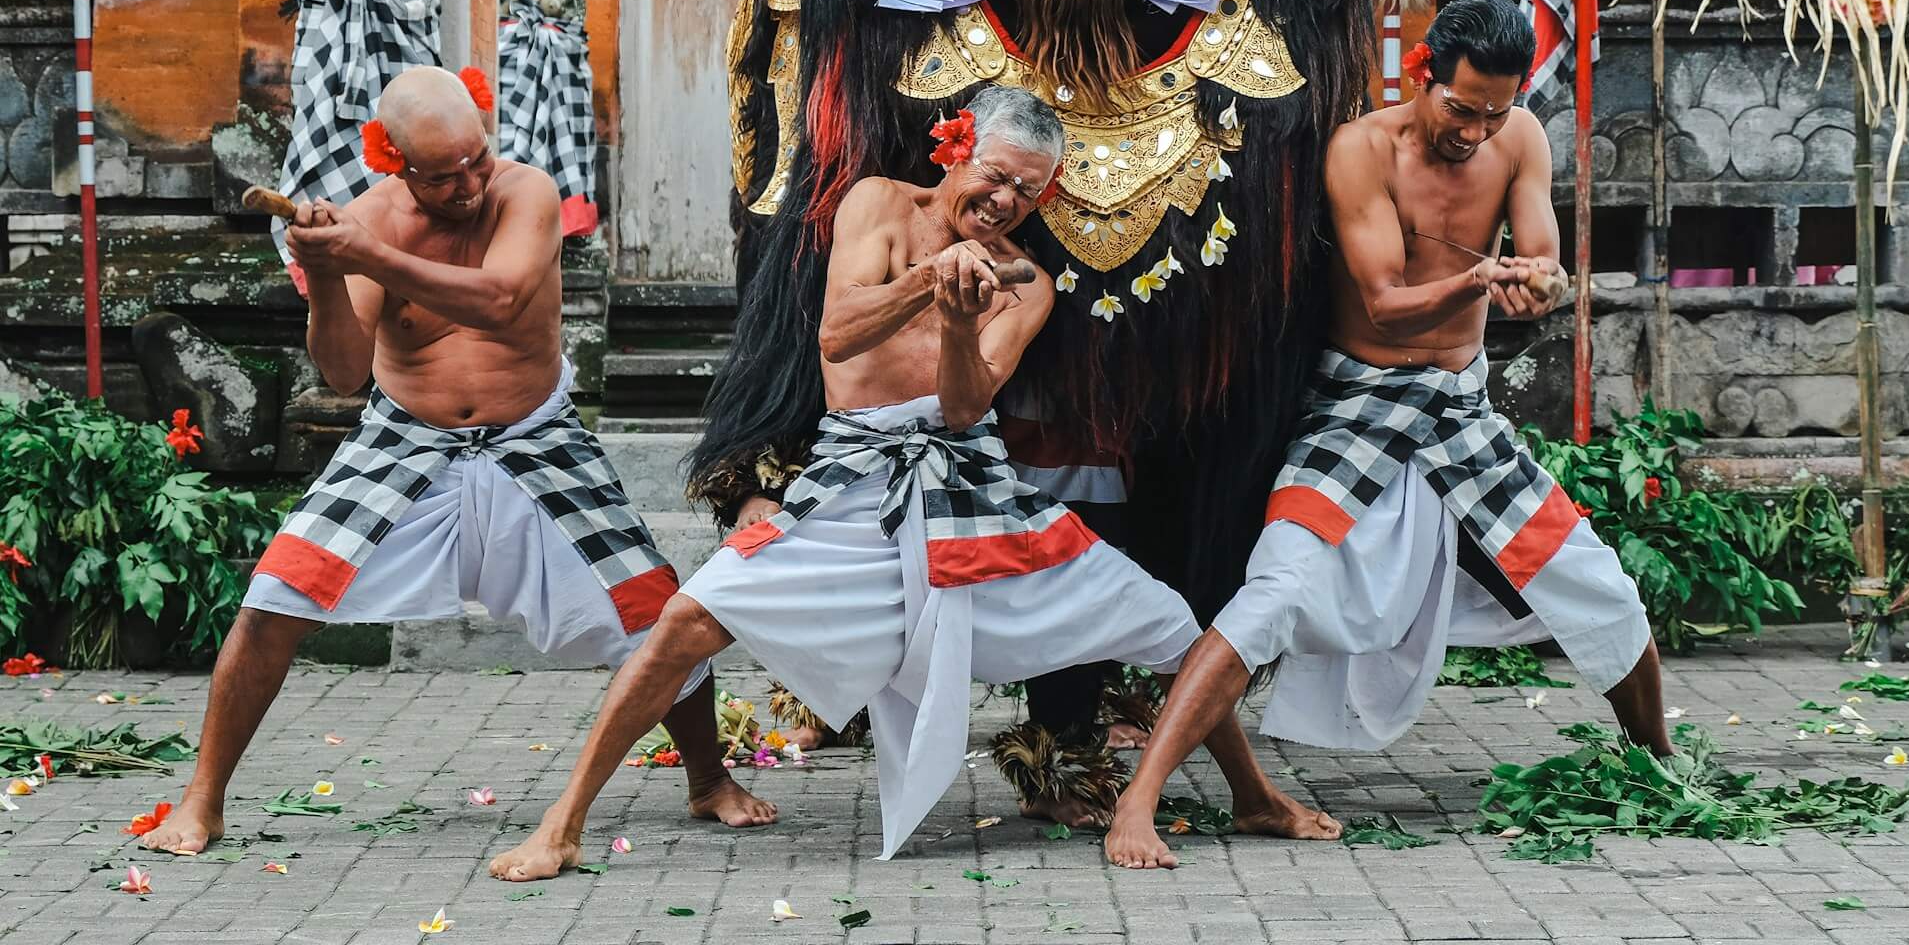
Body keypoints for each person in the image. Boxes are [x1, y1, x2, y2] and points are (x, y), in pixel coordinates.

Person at [489, 86, 1335, 879]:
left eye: (1028, 194)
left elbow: (967, 408)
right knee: (686, 617)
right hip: (851, 480)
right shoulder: (877, 204)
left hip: (972, 486)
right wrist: (932, 281)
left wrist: (965, 327)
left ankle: (1252, 797)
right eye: (997, 177)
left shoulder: (1027, 281)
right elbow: (837, 335)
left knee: (1170, 624)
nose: (1006, 202)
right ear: (955, 147)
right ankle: (563, 821)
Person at [142, 66, 772, 856]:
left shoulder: (525, 192)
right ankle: (202, 799)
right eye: (445, 176)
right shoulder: (372, 220)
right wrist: (331, 277)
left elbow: (501, 298)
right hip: (407, 433)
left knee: (652, 603)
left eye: (477, 157)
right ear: (395, 162)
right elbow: (341, 372)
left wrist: (369, 254)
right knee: (275, 595)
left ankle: (707, 779)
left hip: (534, 431)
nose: (471, 183)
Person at [1107, 0, 1668, 870]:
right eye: (1460, 108)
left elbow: (1546, 258)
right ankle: (1136, 805)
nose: (1476, 133)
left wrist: (1541, 284)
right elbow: (1385, 304)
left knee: (1596, 583)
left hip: (1460, 412)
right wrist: (1485, 279)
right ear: (1420, 78)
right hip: (1358, 406)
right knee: (1275, 594)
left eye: (1494, 112)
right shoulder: (1360, 149)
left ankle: (1660, 764)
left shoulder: (1517, 136)